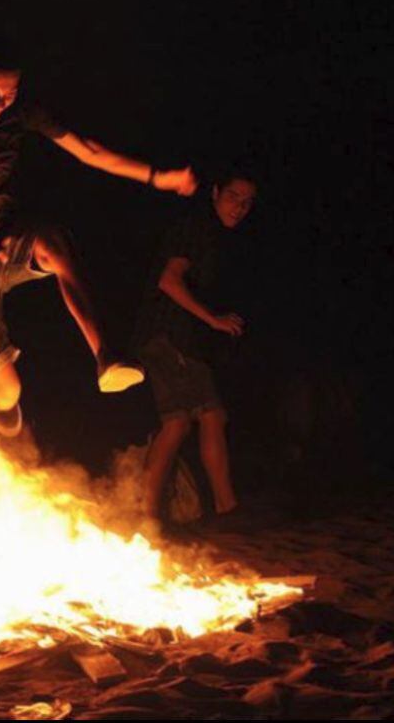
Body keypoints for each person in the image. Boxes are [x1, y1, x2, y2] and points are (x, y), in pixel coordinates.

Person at [0, 50, 197, 436]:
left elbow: (89, 150)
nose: (1, 102)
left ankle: (106, 357)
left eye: (10, 91)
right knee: (7, 393)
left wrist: (157, 177)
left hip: (6, 243)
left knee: (52, 240)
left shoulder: (22, 114)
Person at [132, 168, 258, 525]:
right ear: (216, 192)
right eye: (234, 197)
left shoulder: (216, 236)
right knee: (209, 415)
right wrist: (213, 319)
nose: (240, 207)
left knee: (179, 423)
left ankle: (149, 513)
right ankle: (225, 507)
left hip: (173, 338)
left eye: (247, 202)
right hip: (168, 336)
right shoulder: (196, 227)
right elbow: (169, 280)